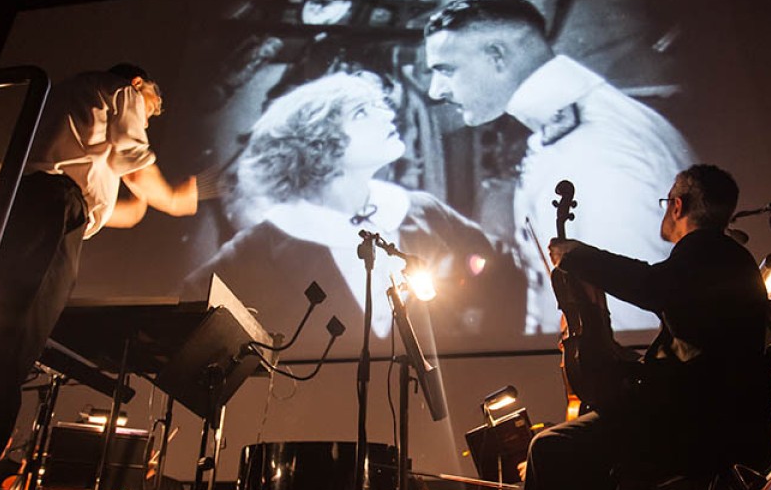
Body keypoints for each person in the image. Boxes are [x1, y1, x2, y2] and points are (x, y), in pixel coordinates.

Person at [472, 164, 771, 490]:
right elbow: (692, 346)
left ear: (678, 205)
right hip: (709, 427)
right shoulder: (727, 263)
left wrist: (579, 256)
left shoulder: (708, 254)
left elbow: (656, 287)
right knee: (575, 460)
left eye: (667, 203)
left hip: (701, 435)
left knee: (552, 449)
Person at [0, 64, 199, 482]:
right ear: (138, 85)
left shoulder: (68, 103)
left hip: (6, 211)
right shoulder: (120, 91)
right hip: (44, 212)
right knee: (11, 345)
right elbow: (130, 157)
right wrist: (171, 198)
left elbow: (88, 184)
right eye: (149, 111)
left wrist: (129, 206)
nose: (146, 119)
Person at [181, 70, 523, 351]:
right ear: (318, 143)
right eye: (362, 112)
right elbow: (190, 311)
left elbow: (504, 268)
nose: (389, 115)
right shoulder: (263, 246)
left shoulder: (421, 210)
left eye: (380, 105)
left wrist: (478, 340)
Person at [422, 0, 694, 336]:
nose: (434, 91)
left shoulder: (593, 151)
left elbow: (635, 324)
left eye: (446, 69)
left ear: (496, 57)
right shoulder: (572, 125)